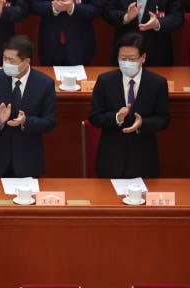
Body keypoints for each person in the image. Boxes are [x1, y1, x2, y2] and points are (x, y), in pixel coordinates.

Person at [88, 32, 169, 178]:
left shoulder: (157, 83)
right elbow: (94, 117)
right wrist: (117, 117)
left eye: (131, 59)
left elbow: (163, 119)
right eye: (122, 58)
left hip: (144, 158)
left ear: (143, 58)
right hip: (111, 157)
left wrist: (143, 123)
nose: (126, 63)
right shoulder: (105, 81)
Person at [0, 35, 56, 177]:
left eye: (11, 60)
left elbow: (49, 122)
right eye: (4, 58)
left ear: (26, 62)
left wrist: (26, 121)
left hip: (28, 160)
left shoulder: (45, 84)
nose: (6, 63)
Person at [103, 0, 183, 66]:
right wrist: (125, 17)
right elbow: (107, 12)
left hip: (157, 54)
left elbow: (177, 17)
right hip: (125, 54)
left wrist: (158, 23)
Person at [30, 0, 102, 66]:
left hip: (80, 45)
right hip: (50, 44)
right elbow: (33, 5)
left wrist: (73, 7)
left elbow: (96, 9)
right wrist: (54, 7)